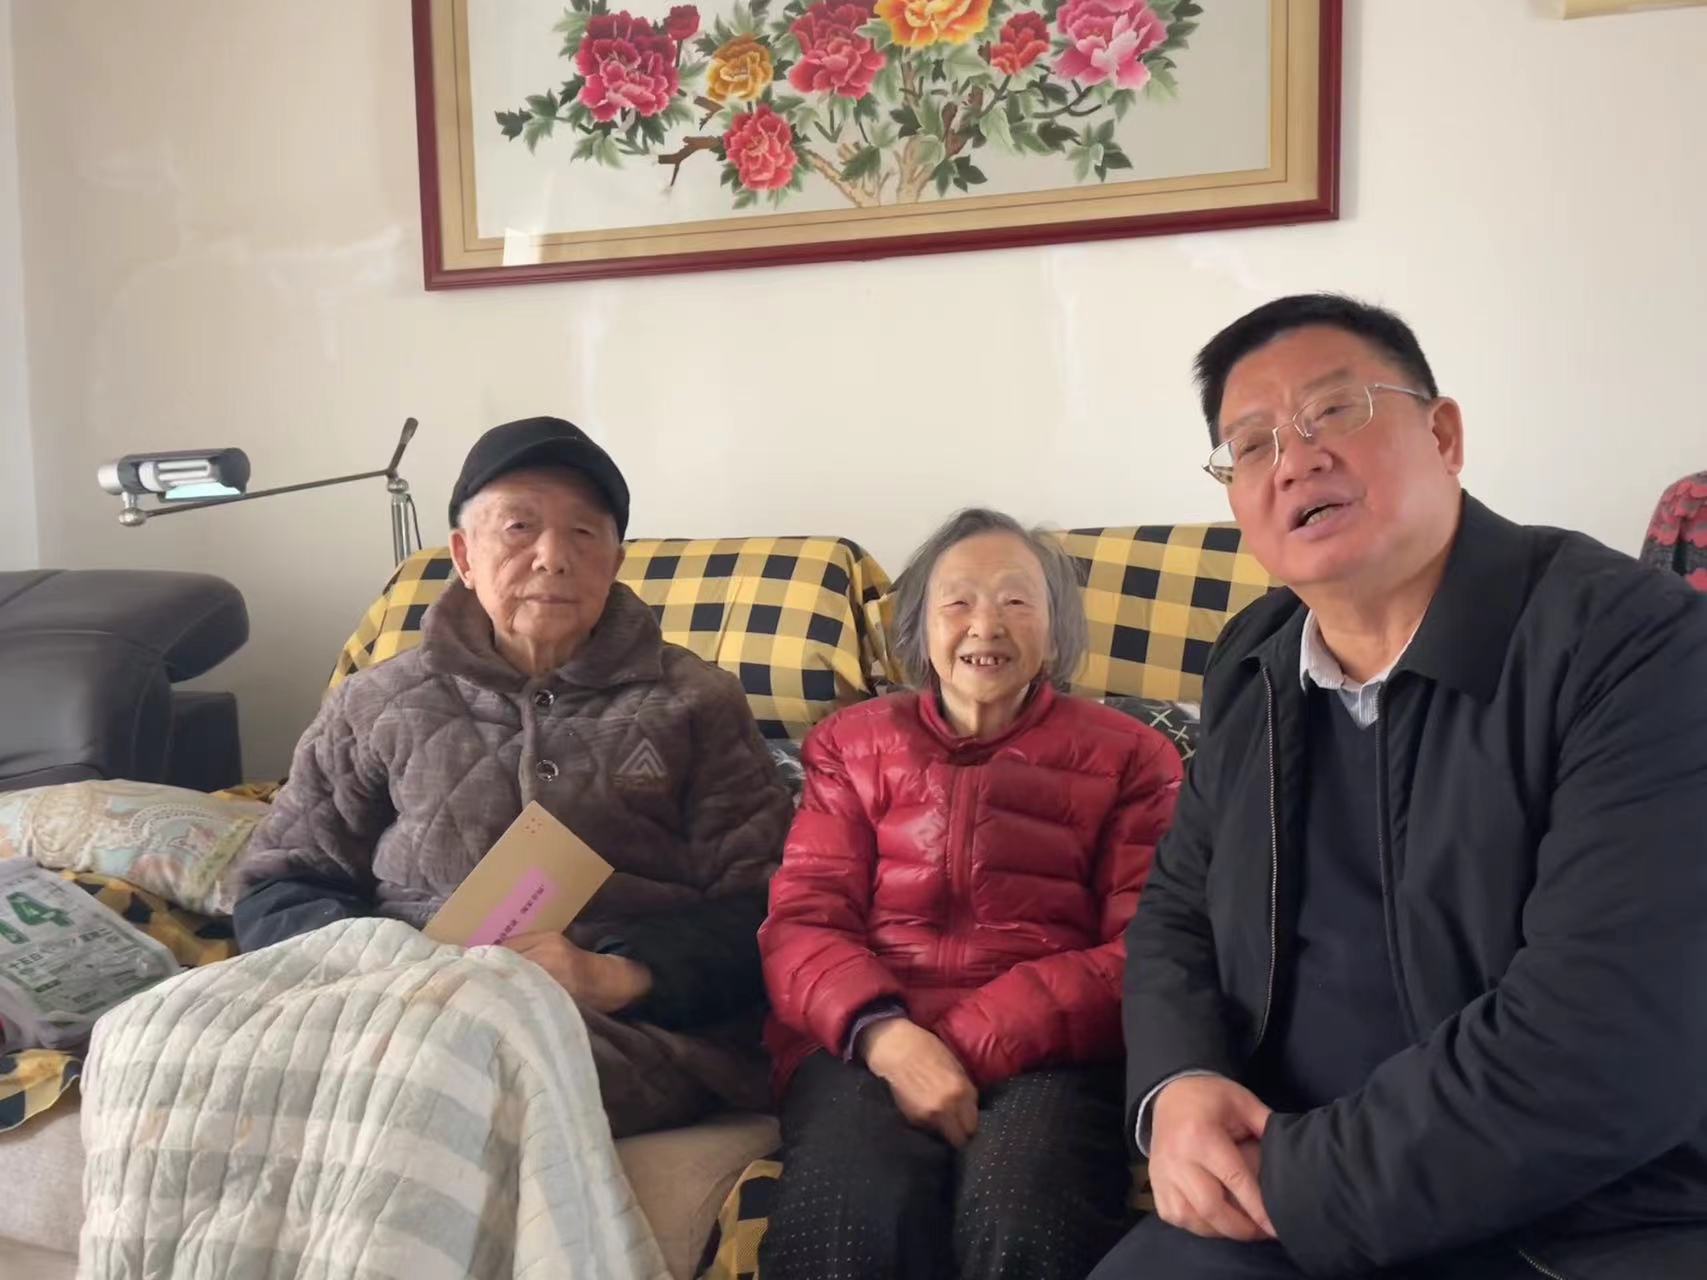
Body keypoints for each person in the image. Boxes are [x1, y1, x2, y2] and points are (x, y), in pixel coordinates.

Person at [1092, 296, 1707, 1279]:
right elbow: (1176, 910)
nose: (1294, 461)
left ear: (1444, 435)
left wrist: (1291, 1180)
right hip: (1286, 1201)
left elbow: (1607, 1039)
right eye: (1250, 445)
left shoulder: (1634, 644)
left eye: (1333, 410)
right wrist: (1178, 1081)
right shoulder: (1253, 662)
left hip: (1579, 1220)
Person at [234, 415, 793, 1137]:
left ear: (615, 562)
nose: (552, 557)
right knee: (154, 1035)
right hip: (387, 1002)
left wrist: (618, 975)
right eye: (519, 528)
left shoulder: (696, 702)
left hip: (623, 1029)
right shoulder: (375, 702)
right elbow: (279, 884)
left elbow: (771, 904)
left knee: (442, 1073)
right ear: (464, 555)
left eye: (583, 533)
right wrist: (389, 968)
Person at [756, 508, 1184, 1280]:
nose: (986, 624)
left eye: (1016, 600)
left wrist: (968, 1040)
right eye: (958, 601)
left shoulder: (1133, 757)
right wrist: (889, 1040)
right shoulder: (848, 745)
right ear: (920, 627)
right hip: (862, 1044)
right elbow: (802, 922)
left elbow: (1146, 946)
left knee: (1022, 1212)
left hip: (1051, 1051)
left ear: (1055, 629)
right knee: (848, 1215)